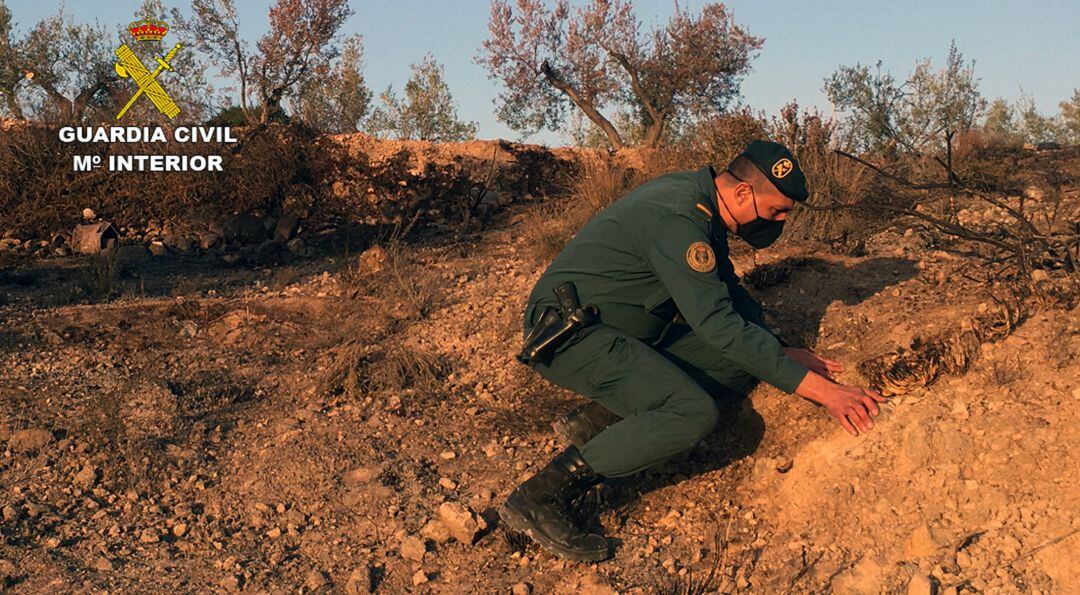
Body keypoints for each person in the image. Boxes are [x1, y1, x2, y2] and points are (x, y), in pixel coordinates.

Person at [499, 140, 886, 562]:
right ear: (742, 192)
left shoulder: (702, 203)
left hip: (616, 332)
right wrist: (823, 391)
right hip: (570, 335)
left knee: (738, 365)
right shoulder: (679, 217)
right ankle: (540, 497)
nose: (777, 223)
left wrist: (779, 348)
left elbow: (728, 294)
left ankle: (597, 421)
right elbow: (717, 323)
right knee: (692, 413)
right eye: (776, 211)